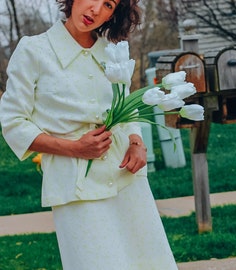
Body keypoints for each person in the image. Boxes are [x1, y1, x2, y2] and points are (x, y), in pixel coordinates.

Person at [0, 0, 179, 269]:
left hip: (125, 177)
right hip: (74, 186)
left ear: (114, 14)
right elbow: (13, 122)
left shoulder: (112, 52)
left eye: (108, 4)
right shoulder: (34, 50)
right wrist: (74, 148)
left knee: (148, 263)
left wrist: (136, 142)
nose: (95, 10)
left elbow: (125, 105)